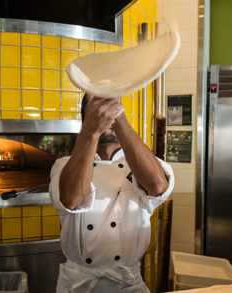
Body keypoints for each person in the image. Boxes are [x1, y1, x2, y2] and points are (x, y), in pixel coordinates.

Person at [49, 93, 175, 293]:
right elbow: (71, 199)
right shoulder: (64, 165)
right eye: (100, 112)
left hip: (127, 284)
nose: (107, 118)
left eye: (112, 110)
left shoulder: (138, 163)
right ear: (87, 119)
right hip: (78, 285)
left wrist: (118, 114)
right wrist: (91, 130)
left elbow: (158, 186)